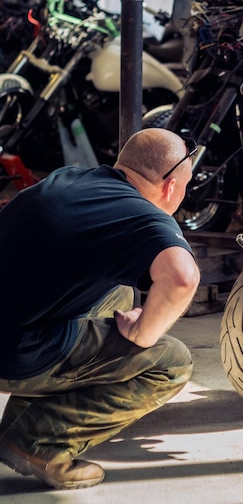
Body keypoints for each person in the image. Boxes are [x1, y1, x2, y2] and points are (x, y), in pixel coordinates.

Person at [0, 128, 201, 490]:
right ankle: (38, 443)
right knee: (169, 363)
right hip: (12, 353)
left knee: (119, 295)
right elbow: (182, 278)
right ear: (171, 187)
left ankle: (26, 418)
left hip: (13, 320)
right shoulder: (145, 217)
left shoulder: (68, 178)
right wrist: (142, 334)